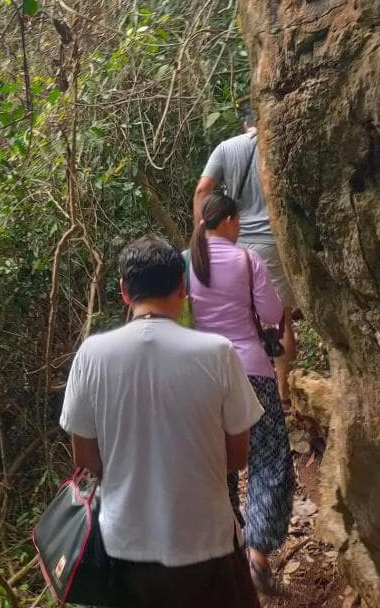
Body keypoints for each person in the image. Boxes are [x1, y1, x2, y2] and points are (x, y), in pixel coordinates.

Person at [59, 233, 263, 608]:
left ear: (124, 291)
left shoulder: (92, 355)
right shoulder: (218, 353)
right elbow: (237, 457)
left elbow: (85, 460)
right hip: (208, 542)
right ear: (182, 287)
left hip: (124, 548)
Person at [189, 193, 295, 596]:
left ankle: (229, 555)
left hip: (201, 378)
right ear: (230, 221)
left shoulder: (184, 262)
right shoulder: (248, 261)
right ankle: (258, 555)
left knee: (219, 467)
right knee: (269, 460)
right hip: (252, 372)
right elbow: (271, 314)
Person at [194, 107, 297, 407]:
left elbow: (202, 189)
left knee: (235, 315)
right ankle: (281, 391)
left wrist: (203, 231)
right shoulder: (273, 143)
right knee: (282, 320)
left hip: (233, 241)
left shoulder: (226, 148)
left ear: (244, 124)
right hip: (271, 242)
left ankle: (237, 391)